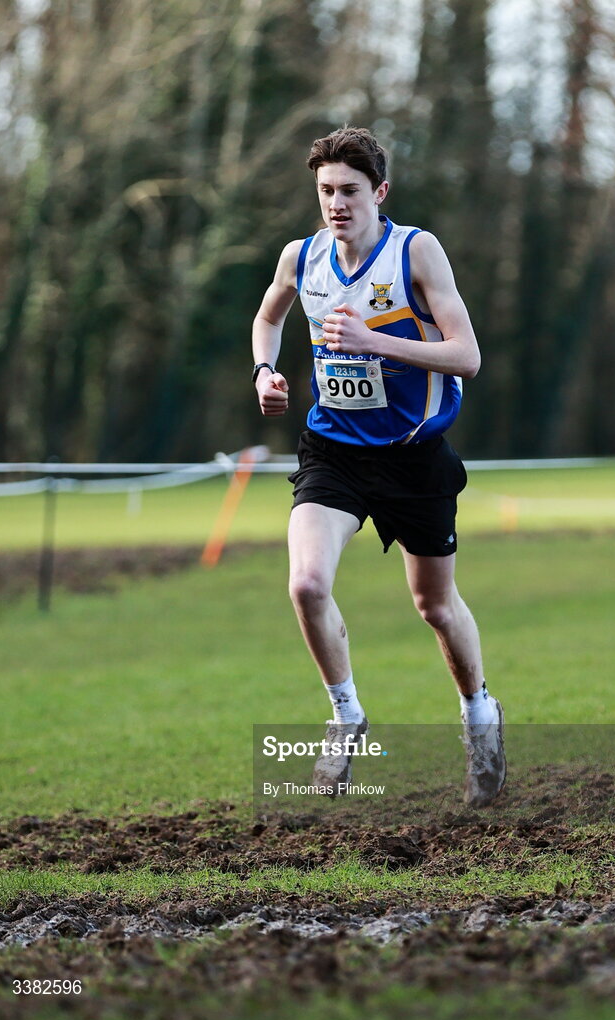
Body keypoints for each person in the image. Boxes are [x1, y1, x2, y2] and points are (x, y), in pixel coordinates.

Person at [251, 126, 505, 807]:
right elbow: (268, 317)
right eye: (326, 192)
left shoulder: (414, 251)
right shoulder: (301, 258)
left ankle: (480, 713)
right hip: (333, 451)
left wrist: (377, 342)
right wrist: (266, 371)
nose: (337, 204)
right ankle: (346, 716)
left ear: (380, 193)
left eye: (351, 192)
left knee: (435, 607)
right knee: (305, 584)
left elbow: (467, 356)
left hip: (414, 460)